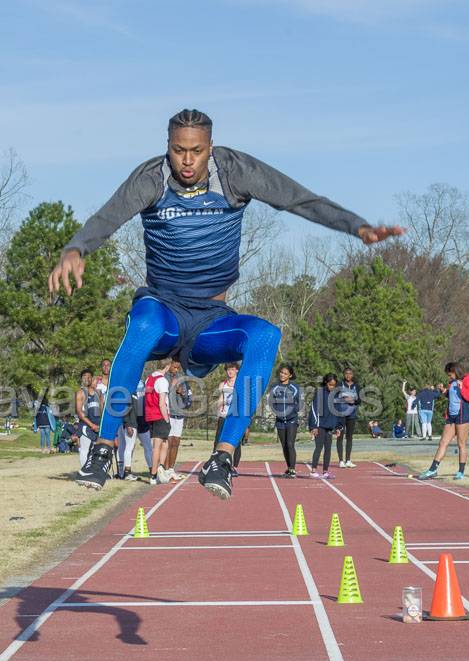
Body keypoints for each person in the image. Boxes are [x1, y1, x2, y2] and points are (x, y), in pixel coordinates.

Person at [54, 108, 403, 500]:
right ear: (167, 147)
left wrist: (356, 226)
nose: (187, 161)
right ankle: (103, 449)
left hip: (210, 320)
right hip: (163, 308)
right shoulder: (150, 178)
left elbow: (298, 199)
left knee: (266, 335)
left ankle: (222, 457)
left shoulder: (235, 171)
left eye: (197, 151)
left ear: (210, 148)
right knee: (145, 324)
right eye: (178, 150)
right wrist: (76, 248)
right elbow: (107, 217)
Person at [418, 362, 469, 481]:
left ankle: (460, 471)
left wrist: (462, 388)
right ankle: (433, 469)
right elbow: (452, 397)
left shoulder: (468, 379)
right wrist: (444, 391)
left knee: (461, 444)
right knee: (443, 442)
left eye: (450, 375)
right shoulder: (452, 382)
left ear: (456, 372)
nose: (449, 377)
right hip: (451, 416)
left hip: (463, 416)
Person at [268, 364, 302, 477]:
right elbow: (272, 402)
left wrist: (292, 412)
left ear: (290, 375)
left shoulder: (295, 388)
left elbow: (298, 403)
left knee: (290, 444)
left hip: (292, 420)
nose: (282, 375)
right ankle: (289, 467)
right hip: (280, 421)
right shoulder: (274, 387)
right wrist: (278, 413)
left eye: (285, 373)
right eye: (281, 372)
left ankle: (292, 469)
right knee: (284, 445)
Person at [143, 359, 173, 483]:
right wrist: (166, 419)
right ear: (167, 366)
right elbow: (161, 403)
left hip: (150, 415)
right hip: (159, 415)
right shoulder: (162, 380)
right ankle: (154, 474)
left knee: (164, 442)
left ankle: (160, 468)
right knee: (157, 446)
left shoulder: (149, 378)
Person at [308, 374, 342, 478]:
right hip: (320, 425)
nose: (332, 387)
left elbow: (338, 411)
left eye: (334, 385)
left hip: (330, 426)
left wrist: (338, 427)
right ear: (326, 383)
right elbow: (314, 409)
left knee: (328, 449)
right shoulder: (320, 392)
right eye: (330, 384)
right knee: (318, 447)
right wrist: (313, 426)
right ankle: (313, 471)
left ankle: (325, 471)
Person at [213, 362, 244, 474]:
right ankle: (216, 464)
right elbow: (219, 401)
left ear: (236, 370)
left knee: (236, 442)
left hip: (235, 417)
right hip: (224, 416)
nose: (230, 371)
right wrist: (222, 404)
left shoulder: (240, 384)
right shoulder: (223, 384)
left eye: (232, 369)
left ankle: (234, 466)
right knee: (218, 441)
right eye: (228, 369)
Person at [163, 359, 191, 480]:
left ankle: (171, 469)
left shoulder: (182, 378)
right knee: (168, 442)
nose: (176, 370)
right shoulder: (164, 377)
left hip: (179, 413)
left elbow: (188, 397)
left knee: (176, 442)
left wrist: (183, 393)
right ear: (169, 366)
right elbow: (162, 394)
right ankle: (165, 468)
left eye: (178, 368)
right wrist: (173, 387)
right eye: (174, 367)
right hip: (168, 413)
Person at [74, 369, 101, 470]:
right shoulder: (80, 393)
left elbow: (102, 410)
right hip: (86, 425)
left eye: (89, 376)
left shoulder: (98, 393)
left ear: (92, 378)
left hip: (98, 425)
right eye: (84, 376)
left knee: (97, 450)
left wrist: (100, 424)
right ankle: (84, 472)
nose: (87, 378)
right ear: (82, 379)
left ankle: (95, 471)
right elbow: (80, 413)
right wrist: (92, 425)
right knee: (84, 449)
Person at [334, 368, 360, 468]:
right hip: (341, 414)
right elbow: (334, 398)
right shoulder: (340, 384)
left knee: (349, 437)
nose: (348, 375)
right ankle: (341, 460)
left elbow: (359, 400)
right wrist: (344, 399)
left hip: (352, 414)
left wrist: (353, 401)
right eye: (346, 374)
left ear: (352, 374)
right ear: (344, 375)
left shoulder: (356, 386)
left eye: (350, 374)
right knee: (340, 436)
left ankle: (348, 460)